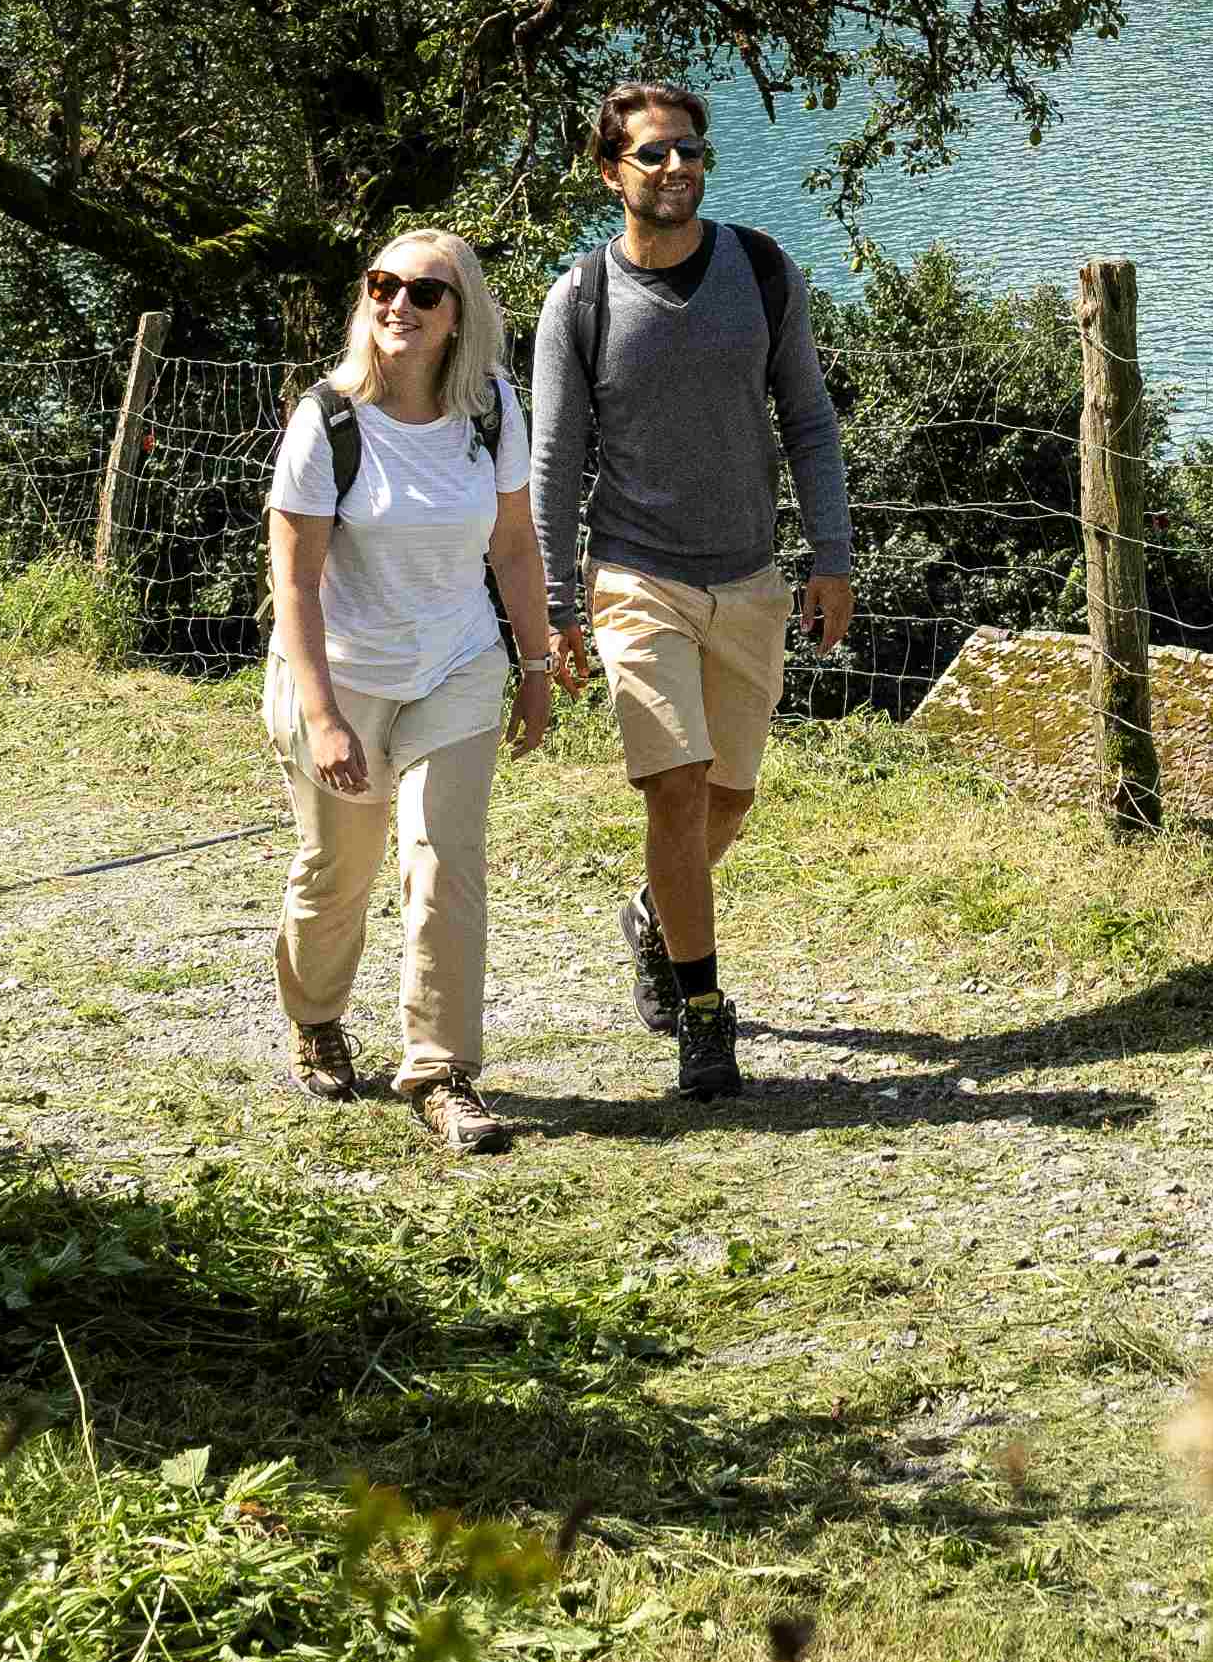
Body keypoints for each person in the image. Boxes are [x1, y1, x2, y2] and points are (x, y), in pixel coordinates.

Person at [525, 79, 851, 1106]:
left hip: (750, 578)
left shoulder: (759, 269)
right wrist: (555, 608)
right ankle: (704, 1016)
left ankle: (654, 912)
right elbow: (553, 461)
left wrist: (831, 554)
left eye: (691, 150)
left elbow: (808, 418)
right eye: (655, 154)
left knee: (728, 798)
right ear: (610, 171)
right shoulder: (580, 299)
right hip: (636, 577)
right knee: (674, 783)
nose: (678, 169)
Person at [265, 225, 569, 1158]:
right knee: (337, 875)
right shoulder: (329, 419)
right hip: (341, 675)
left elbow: (513, 547)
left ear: (458, 315)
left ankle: (441, 1072)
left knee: (443, 865)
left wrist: (535, 666)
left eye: (423, 293)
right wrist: (321, 716)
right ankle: (316, 1018)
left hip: (457, 668)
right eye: (382, 286)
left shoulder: (491, 410)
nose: (398, 304)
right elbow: (297, 582)